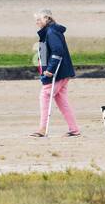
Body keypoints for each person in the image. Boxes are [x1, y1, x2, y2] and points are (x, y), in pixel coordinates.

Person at [32, 9, 80, 137]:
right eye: (36, 20)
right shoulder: (47, 32)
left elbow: (57, 51)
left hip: (57, 72)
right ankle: (74, 129)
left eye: (39, 19)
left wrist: (50, 70)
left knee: (45, 95)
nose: (37, 22)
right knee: (61, 100)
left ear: (47, 19)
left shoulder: (52, 32)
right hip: (62, 72)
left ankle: (42, 129)